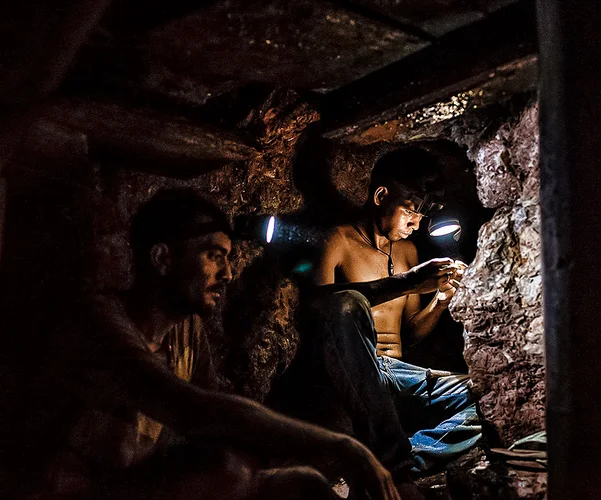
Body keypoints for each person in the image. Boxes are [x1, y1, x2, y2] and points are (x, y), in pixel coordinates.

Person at [8, 189, 401, 500]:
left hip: (128, 486)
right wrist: (342, 445)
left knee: (296, 482)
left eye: (228, 259)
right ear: (162, 258)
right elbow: (193, 410)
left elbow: (221, 417)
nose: (228, 273)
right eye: (214, 256)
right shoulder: (97, 323)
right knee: (225, 470)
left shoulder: (185, 333)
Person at [281, 148, 481, 486]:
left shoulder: (408, 252)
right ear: (381, 195)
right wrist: (406, 282)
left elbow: (413, 333)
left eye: (421, 217)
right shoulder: (339, 241)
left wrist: (441, 299)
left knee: (483, 398)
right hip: (351, 371)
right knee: (345, 303)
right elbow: (318, 310)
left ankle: (407, 460)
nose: (415, 224)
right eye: (409, 212)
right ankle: (391, 452)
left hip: (399, 373)